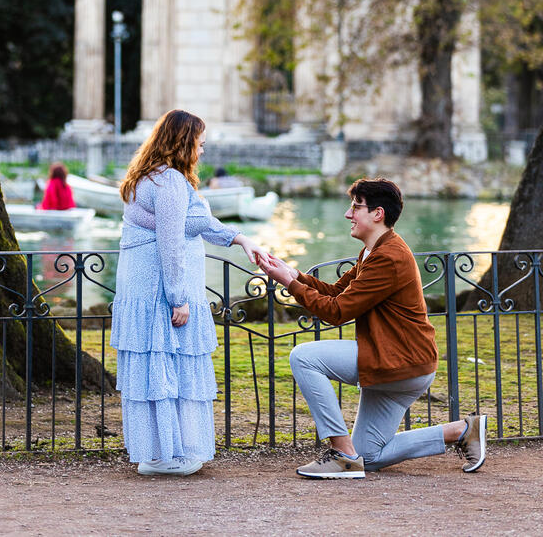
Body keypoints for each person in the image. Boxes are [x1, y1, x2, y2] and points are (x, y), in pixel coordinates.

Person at [257, 177, 487, 479]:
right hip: (399, 362)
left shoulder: (388, 257)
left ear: (377, 214)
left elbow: (337, 312)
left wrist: (290, 284)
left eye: (356, 207)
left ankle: (341, 453)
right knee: (370, 456)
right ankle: (461, 430)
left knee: (304, 357)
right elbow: (337, 291)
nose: (348, 214)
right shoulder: (374, 251)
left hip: (401, 360)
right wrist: (293, 274)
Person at [110, 109, 268, 476]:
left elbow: (192, 221)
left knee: (155, 370)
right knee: (167, 370)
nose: (202, 151)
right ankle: (169, 455)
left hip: (142, 288)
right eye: (199, 143)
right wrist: (178, 297)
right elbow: (170, 243)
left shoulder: (150, 178)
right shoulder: (169, 184)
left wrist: (239, 238)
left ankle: (158, 452)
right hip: (157, 291)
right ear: (184, 142)